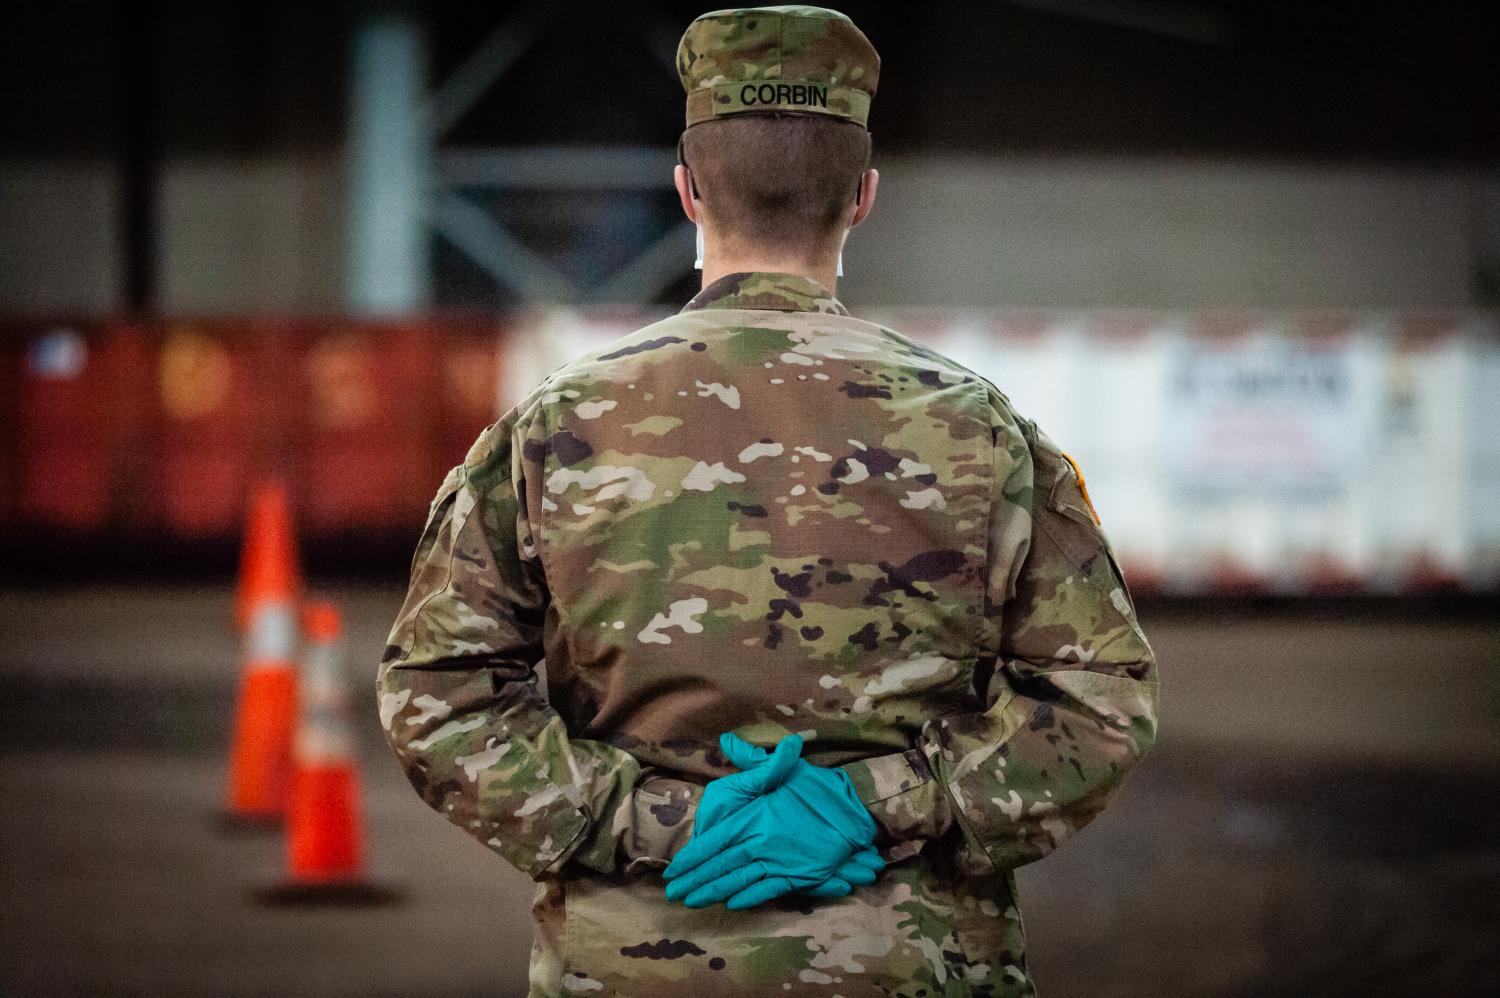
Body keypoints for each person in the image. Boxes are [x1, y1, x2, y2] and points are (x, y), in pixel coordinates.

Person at [376, 5, 1160, 996]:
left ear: (687, 191)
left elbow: (436, 688)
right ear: (865, 196)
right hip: (913, 965)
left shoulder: (554, 425)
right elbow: (1100, 696)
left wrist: (661, 818)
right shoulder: (979, 430)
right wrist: (882, 803)